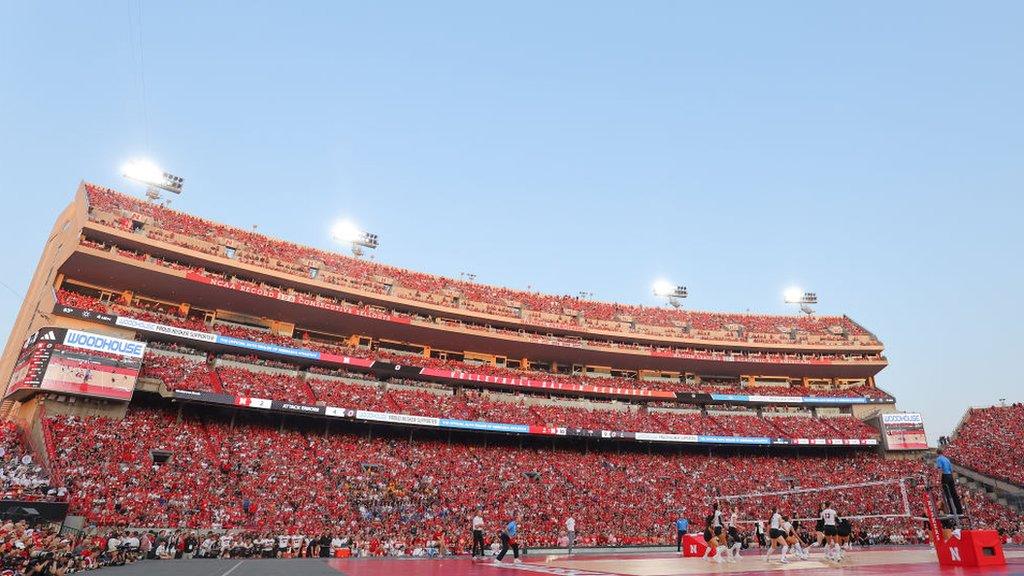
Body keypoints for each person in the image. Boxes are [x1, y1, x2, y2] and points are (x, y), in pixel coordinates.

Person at [935, 449, 963, 517]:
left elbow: (940, 469)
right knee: (954, 494)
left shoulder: (939, 459)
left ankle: (952, 511)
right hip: (950, 476)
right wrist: (952, 479)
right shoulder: (947, 459)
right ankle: (959, 510)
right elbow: (951, 470)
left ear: (937, 453)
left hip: (945, 476)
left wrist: (939, 480)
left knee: (948, 494)